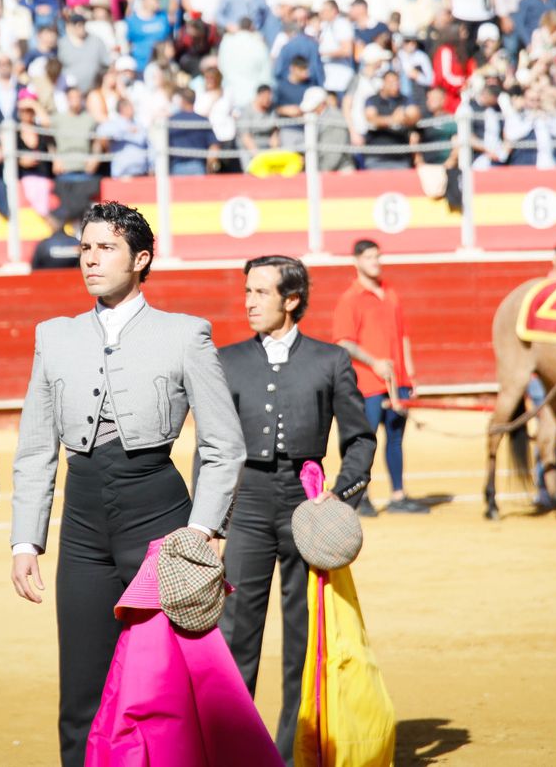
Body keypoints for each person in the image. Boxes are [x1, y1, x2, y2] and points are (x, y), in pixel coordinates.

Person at [8, 202, 245, 767]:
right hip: (84, 527)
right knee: (81, 693)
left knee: (168, 692)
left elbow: (222, 444)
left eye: (105, 248)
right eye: (86, 248)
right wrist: (25, 540)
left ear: (141, 259)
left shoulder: (186, 335)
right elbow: (38, 446)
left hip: (159, 521)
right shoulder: (54, 336)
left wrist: (201, 529)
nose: (90, 258)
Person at [218, 255, 375, 764]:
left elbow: (359, 439)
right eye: (247, 291)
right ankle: (236, 751)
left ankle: (290, 754)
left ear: (291, 299)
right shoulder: (229, 359)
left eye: (260, 293)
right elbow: (213, 449)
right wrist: (212, 520)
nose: (248, 302)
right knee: (236, 631)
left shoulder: (330, 360)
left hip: (305, 506)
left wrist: (342, 490)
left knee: (302, 639)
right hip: (247, 504)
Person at [332, 239, 424, 516]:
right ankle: (361, 497)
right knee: (365, 441)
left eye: (377, 256)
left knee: (395, 439)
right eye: (370, 257)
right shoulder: (350, 299)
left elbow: (404, 334)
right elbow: (343, 342)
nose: (376, 262)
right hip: (368, 383)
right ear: (357, 261)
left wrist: (410, 374)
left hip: (398, 383)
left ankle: (398, 495)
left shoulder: (390, 293)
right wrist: (374, 363)